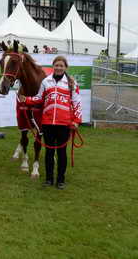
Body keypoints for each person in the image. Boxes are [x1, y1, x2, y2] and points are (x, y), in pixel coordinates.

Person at [18, 56, 82, 190]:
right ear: (53, 66)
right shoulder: (46, 81)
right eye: (56, 65)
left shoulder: (71, 83)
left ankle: (60, 180)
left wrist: (76, 121)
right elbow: (39, 98)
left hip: (64, 124)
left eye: (61, 66)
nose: (58, 68)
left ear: (65, 67)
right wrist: (27, 100)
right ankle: (48, 179)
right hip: (47, 123)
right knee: (48, 152)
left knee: (61, 152)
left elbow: (77, 103)